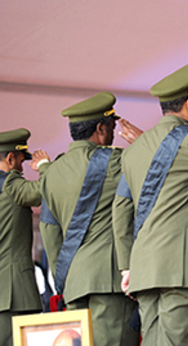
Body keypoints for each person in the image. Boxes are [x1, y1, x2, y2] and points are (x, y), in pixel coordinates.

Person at [112, 63, 188, 346]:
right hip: (182, 271)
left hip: (144, 270)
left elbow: (120, 211)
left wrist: (126, 267)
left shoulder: (133, 152)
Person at [38, 92, 141, 346]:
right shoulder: (116, 162)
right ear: (100, 128)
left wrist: (63, 279)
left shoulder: (52, 173)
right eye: (112, 128)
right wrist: (142, 142)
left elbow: (49, 231)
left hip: (73, 282)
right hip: (110, 282)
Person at [0, 128, 49, 346]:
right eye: (21, 161)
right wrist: (44, 167)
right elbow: (44, 191)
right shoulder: (10, 185)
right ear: (10, 158)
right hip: (13, 294)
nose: (22, 168)